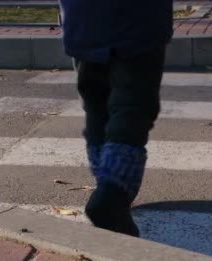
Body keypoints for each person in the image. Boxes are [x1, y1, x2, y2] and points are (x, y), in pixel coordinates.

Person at [58, 1, 173, 237]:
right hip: (137, 23)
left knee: (97, 107)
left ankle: (107, 187)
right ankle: (113, 190)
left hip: (83, 24)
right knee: (132, 107)